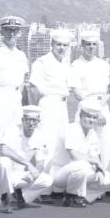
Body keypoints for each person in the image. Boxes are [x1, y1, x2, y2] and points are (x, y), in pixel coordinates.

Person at [0, 15, 29, 207]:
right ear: (1, 32)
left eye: (15, 30)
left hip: (15, 103)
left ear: (19, 33)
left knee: (16, 147)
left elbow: (23, 85)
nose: (11, 33)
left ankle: (14, 190)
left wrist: (24, 110)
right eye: (8, 30)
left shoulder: (21, 55)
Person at [0, 105, 53, 214]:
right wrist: (27, 164)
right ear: (23, 120)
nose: (31, 123)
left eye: (34, 120)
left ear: (38, 121)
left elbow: (40, 162)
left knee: (47, 180)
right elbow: (3, 150)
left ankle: (21, 197)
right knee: (4, 162)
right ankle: (5, 198)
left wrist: (34, 174)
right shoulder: (12, 129)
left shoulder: (40, 136)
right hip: (1, 176)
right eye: (28, 119)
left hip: (18, 175)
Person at [52, 100, 110, 207]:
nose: (91, 120)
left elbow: (95, 157)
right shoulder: (72, 129)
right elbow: (74, 156)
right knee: (82, 165)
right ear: (80, 116)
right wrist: (94, 162)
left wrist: (99, 170)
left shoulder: (92, 133)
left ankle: (83, 197)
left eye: (94, 118)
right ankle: (71, 196)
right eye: (88, 117)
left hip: (80, 173)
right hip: (61, 174)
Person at [69, 29, 110, 170]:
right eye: (88, 44)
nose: (91, 47)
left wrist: (100, 109)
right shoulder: (75, 65)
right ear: (82, 45)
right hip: (85, 109)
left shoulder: (104, 64)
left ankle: (108, 182)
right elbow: (77, 92)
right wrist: (93, 111)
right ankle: (85, 180)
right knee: (83, 144)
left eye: (94, 44)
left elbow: (109, 90)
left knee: (107, 143)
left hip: (102, 107)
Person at [28, 28, 74, 169]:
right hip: (47, 105)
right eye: (59, 44)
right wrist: (34, 112)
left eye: (65, 45)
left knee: (61, 142)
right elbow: (33, 88)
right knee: (47, 142)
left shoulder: (66, 65)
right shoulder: (41, 62)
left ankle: (57, 183)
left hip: (62, 107)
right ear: (52, 44)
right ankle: (45, 186)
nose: (62, 48)